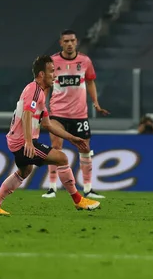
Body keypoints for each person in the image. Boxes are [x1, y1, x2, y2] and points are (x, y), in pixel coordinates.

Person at [0, 55, 101, 215]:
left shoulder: (39, 93)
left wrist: (71, 138)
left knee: (24, 172)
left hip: (16, 141)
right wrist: (29, 142)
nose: (54, 75)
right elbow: (26, 113)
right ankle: (78, 200)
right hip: (22, 142)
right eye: (51, 71)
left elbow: (47, 124)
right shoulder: (34, 90)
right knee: (62, 158)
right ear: (41, 75)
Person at [42, 29, 110, 199]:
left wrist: (96, 102)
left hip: (80, 114)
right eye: (66, 41)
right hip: (58, 113)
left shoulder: (85, 61)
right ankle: (52, 187)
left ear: (77, 41)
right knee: (56, 148)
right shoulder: (52, 61)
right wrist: (41, 107)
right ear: (61, 43)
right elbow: (46, 86)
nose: (70, 44)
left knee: (85, 149)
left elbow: (90, 81)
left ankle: (88, 188)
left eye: (72, 40)